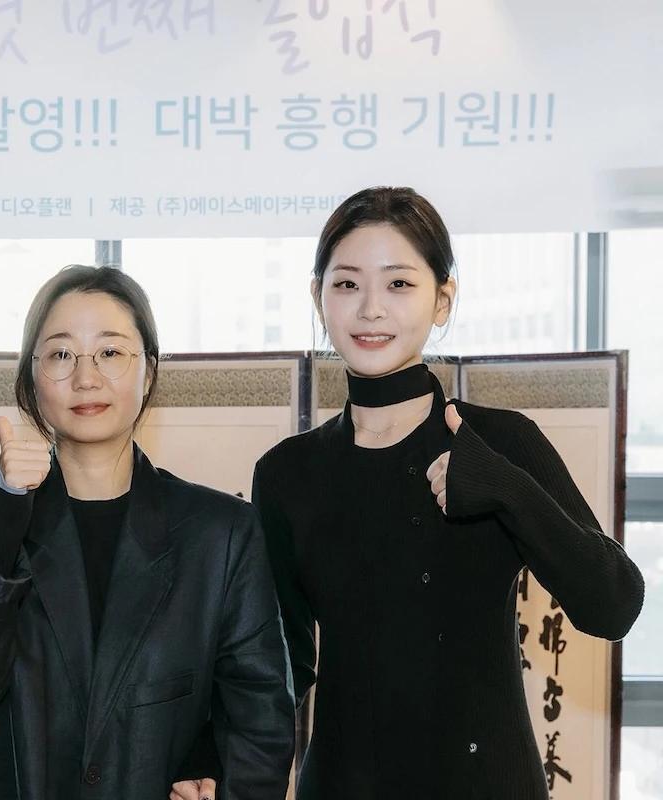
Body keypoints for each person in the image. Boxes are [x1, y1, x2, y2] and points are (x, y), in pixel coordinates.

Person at [252, 186, 645, 799]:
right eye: (347, 284)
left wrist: (504, 488)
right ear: (318, 296)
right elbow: (281, 665)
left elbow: (614, 603)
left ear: (443, 299)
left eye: (400, 284)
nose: (371, 309)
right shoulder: (287, 473)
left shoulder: (502, 441)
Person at [0, 266, 295, 800]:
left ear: (150, 369)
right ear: (31, 376)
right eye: (60, 354)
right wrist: (6, 516)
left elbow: (261, 716)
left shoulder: (222, 534)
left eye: (111, 352)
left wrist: (219, 778)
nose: (85, 378)